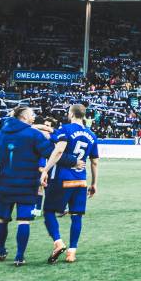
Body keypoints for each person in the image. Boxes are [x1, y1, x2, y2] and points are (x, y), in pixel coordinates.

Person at [0, 106, 58, 266]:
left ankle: (1, 251)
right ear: (23, 117)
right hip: (27, 185)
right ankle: (19, 256)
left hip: (5, 185)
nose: (34, 117)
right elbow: (51, 152)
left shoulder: (0, 135)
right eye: (31, 114)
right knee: (23, 221)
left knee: (2, 219)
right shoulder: (33, 134)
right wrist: (72, 160)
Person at [40, 104, 100, 264]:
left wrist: (45, 170)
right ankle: (72, 252)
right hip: (81, 181)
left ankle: (58, 242)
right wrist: (94, 184)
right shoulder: (92, 135)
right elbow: (94, 162)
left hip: (63, 178)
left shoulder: (65, 129)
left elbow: (59, 151)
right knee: (76, 216)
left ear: (71, 114)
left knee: (48, 211)